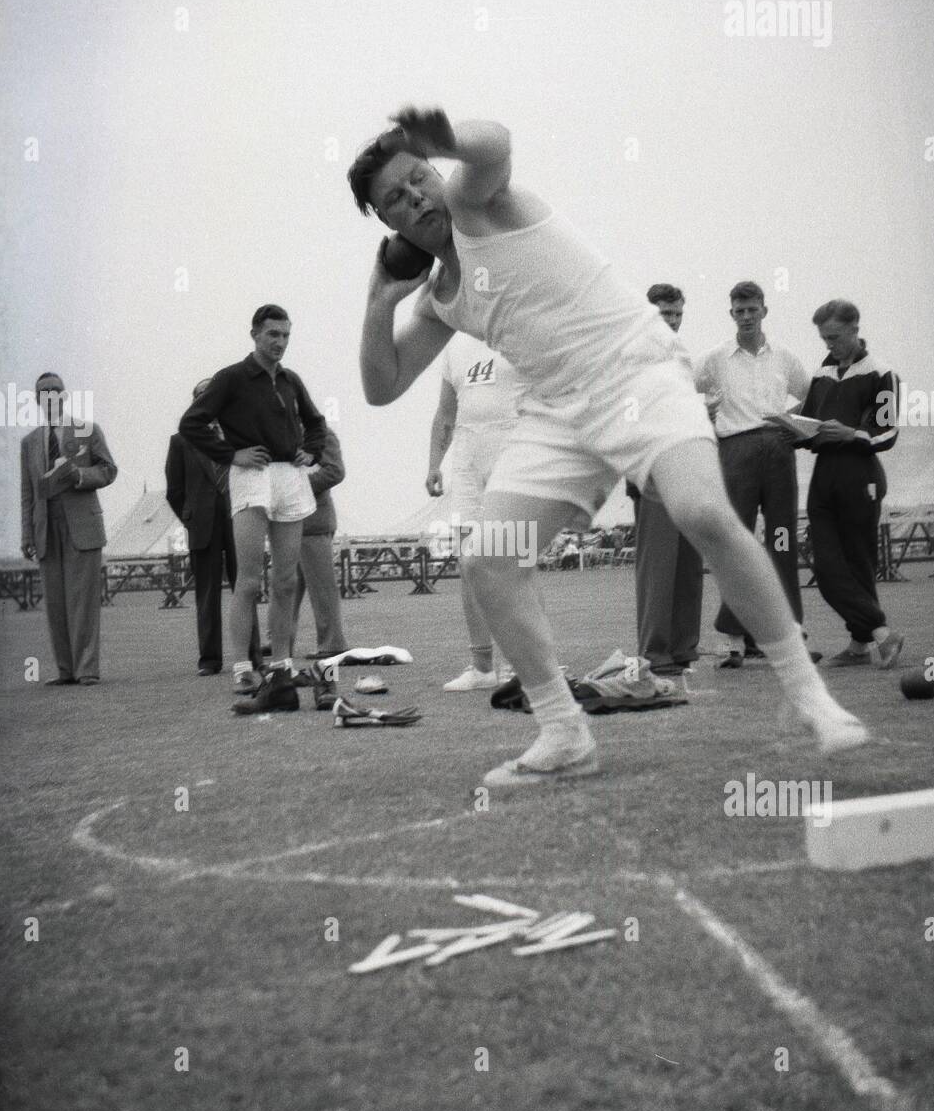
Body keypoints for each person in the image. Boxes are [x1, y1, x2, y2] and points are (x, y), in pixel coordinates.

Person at [348, 109, 868, 787]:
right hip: (558, 414)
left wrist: (437, 137)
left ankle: (811, 700)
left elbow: (497, 142)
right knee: (487, 559)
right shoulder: (439, 297)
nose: (415, 196)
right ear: (386, 225)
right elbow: (381, 387)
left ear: (436, 171)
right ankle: (565, 733)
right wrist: (378, 300)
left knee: (703, 514)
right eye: (395, 197)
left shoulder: (482, 203)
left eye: (418, 177)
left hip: (636, 374)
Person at [179, 305, 326, 712]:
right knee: (248, 581)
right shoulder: (231, 378)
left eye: (285, 336)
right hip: (251, 476)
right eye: (272, 335)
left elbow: (316, 423)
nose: (279, 343)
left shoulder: (291, 380)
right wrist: (231, 454)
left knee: (285, 581)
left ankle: (281, 665)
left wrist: (310, 453)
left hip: (289, 478)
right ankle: (243, 666)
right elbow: (191, 423)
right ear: (255, 335)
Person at [695, 281, 813, 667]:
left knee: (782, 541)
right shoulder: (715, 359)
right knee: (735, 542)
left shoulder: (785, 358)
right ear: (731, 314)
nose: (746, 317)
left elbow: (813, 393)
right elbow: (682, 390)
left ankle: (789, 635)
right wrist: (704, 416)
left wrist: (793, 424)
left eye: (752, 309)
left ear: (764, 310)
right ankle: (733, 639)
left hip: (778, 453)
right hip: (736, 452)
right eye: (739, 311)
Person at [797, 300, 903, 668]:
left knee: (859, 564)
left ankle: (861, 645)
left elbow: (887, 432)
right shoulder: (822, 371)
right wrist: (792, 429)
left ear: (855, 329)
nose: (830, 345)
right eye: (825, 339)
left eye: (836, 338)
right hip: (824, 475)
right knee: (826, 568)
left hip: (861, 475)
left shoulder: (882, 372)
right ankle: (881, 634)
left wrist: (852, 433)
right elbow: (809, 424)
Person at [425, 336, 518, 690]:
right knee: (470, 564)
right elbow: (446, 414)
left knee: (516, 561)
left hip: (512, 449)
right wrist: (435, 463)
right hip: (466, 458)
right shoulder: (454, 346)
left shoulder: (518, 329)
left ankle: (518, 665)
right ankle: (482, 667)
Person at [625, 284, 705, 687]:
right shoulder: (631, 354)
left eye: (677, 314)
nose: (672, 321)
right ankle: (654, 653)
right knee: (658, 566)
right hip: (651, 466)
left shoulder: (683, 356)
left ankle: (683, 648)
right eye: (665, 314)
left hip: (687, 462)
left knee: (689, 564)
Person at [20, 372, 118, 685]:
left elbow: (109, 469)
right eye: (43, 392)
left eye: (55, 391)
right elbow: (27, 494)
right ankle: (65, 670)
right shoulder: (29, 442)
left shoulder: (89, 431)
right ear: (36, 400)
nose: (49, 396)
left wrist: (79, 475)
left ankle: (86, 669)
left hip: (82, 523)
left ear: (64, 396)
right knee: (56, 603)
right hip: (45, 528)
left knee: (83, 600)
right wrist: (26, 535)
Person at [165, 379, 262, 676]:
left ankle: (253, 657)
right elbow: (174, 491)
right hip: (202, 527)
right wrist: (192, 520)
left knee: (245, 588)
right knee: (206, 595)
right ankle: (209, 660)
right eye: (201, 396)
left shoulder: (237, 436)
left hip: (239, 520)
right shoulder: (181, 441)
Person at [292, 420, 349, 660]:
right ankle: (279, 642)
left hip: (314, 522)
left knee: (322, 589)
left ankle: (332, 643)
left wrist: (295, 487)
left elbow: (335, 471)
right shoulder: (285, 431)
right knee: (286, 586)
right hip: (291, 522)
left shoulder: (322, 433)